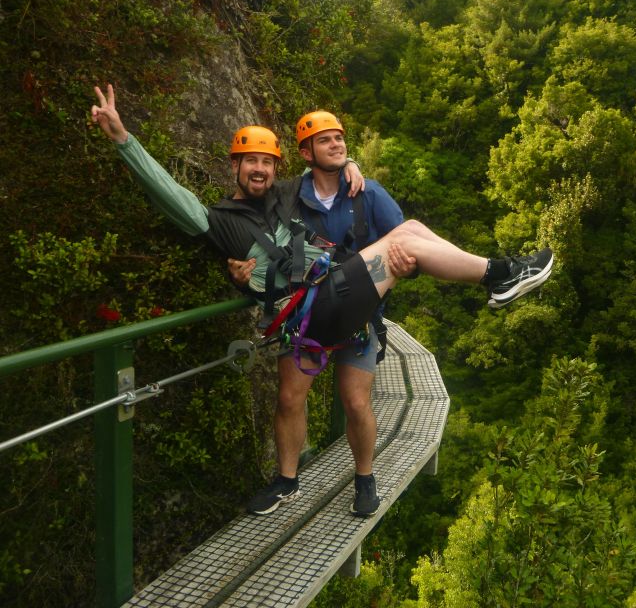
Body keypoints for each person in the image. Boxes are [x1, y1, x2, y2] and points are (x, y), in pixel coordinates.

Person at [91, 83, 554, 517]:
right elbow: (170, 194)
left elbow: (325, 169)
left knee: (408, 232)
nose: (260, 170)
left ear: (277, 169)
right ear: (233, 166)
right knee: (291, 397)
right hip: (313, 306)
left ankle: (498, 275)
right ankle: (499, 275)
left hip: (328, 298)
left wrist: (351, 165)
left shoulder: (284, 196)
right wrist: (123, 139)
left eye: (267, 163)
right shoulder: (217, 221)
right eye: (250, 162)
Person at [228, 110, 409, 517]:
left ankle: (365, 478)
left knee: (356, 402)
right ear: (306, 152)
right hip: (308, 316)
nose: (337, 145)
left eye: (339, 139)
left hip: (357, 315)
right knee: (290, 398)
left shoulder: (368, 193)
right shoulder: (290, 195)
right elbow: (253, 212)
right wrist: (239, 272)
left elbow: (402, 241)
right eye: (325, 140)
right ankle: (286, 481)